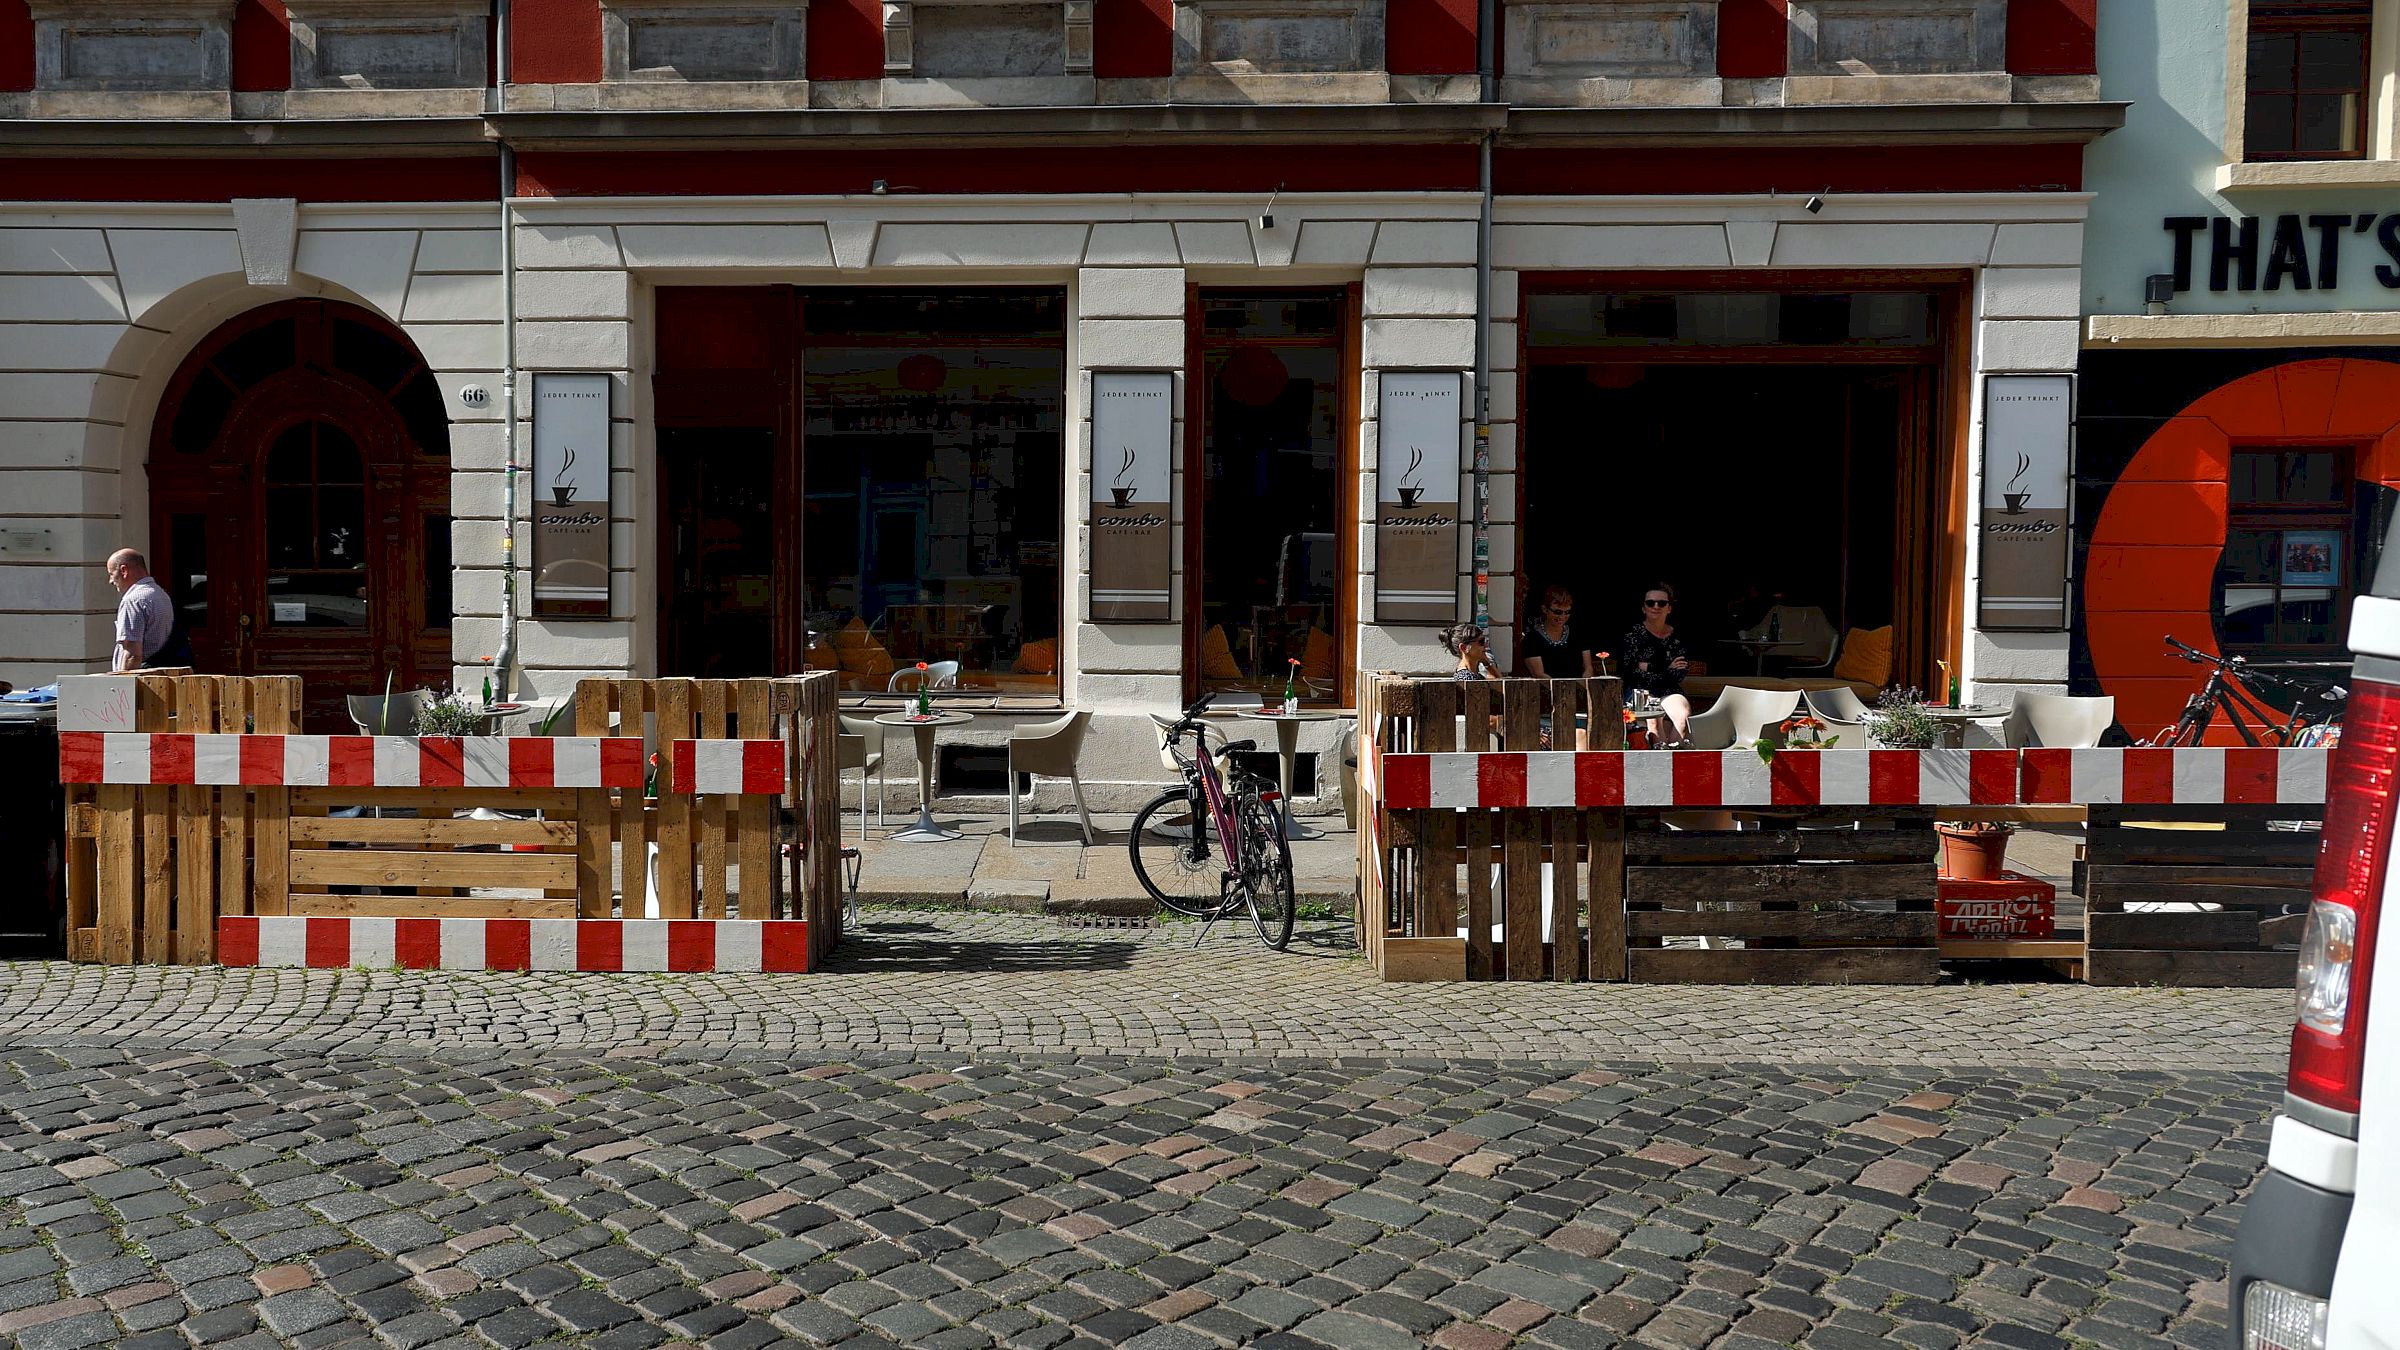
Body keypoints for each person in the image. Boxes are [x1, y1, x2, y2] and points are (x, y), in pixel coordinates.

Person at [1623, 583, 1694, 746]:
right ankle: (1661, 756)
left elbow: (1679, 674)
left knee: (1683, 717)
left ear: (1669, 608)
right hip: (1639, 692)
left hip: (1669, 691)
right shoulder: (1633, 636)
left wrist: (1648, 667)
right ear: (1643, 608)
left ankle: (1673, 755)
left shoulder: (1678, 637)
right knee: (1653, 719)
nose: (1656, 606)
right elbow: (1630, 671)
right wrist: (1667, 668)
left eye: (1661, 603)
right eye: (1650, 603)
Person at [106, 548, 175, 672]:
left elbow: (132, 655)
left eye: (111, 574)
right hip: (160, 674)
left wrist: (123, 682)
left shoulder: (133, 601)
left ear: (124, 570)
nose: (110, 581)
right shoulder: (160, 594)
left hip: (141, 677)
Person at [1520, 585, 1594, 679]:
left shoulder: (1578, 635)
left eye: (1567, 612)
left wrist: (1583, 682)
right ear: (1545, 609)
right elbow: (1539, 674)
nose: (1562, 617)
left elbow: (1588, 668)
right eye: (1558, 612)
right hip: (1547, 687)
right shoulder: (1532, 639)